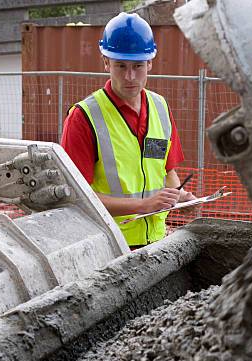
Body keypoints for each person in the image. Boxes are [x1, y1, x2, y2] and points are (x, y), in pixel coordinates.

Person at [61, 12, 195, 248]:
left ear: (150, 63)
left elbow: (166, 173)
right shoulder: (84, 117)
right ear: (105, 62)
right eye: (120, 66)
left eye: (138, 66)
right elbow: (75, 197)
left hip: (156, 241)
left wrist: (181, 198)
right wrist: (144, 205)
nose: (130, 76)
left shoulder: (160, 108)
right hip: (107, 245)